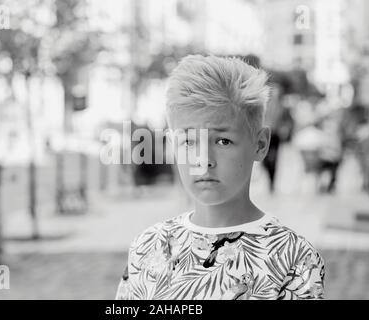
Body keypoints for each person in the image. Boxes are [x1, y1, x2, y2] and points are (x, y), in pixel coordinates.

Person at [115, 55, 325, 300]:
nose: (203, 159)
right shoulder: (148, 247)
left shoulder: (294, 258)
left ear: (260, 144)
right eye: (189, 141)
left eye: (223, 141)